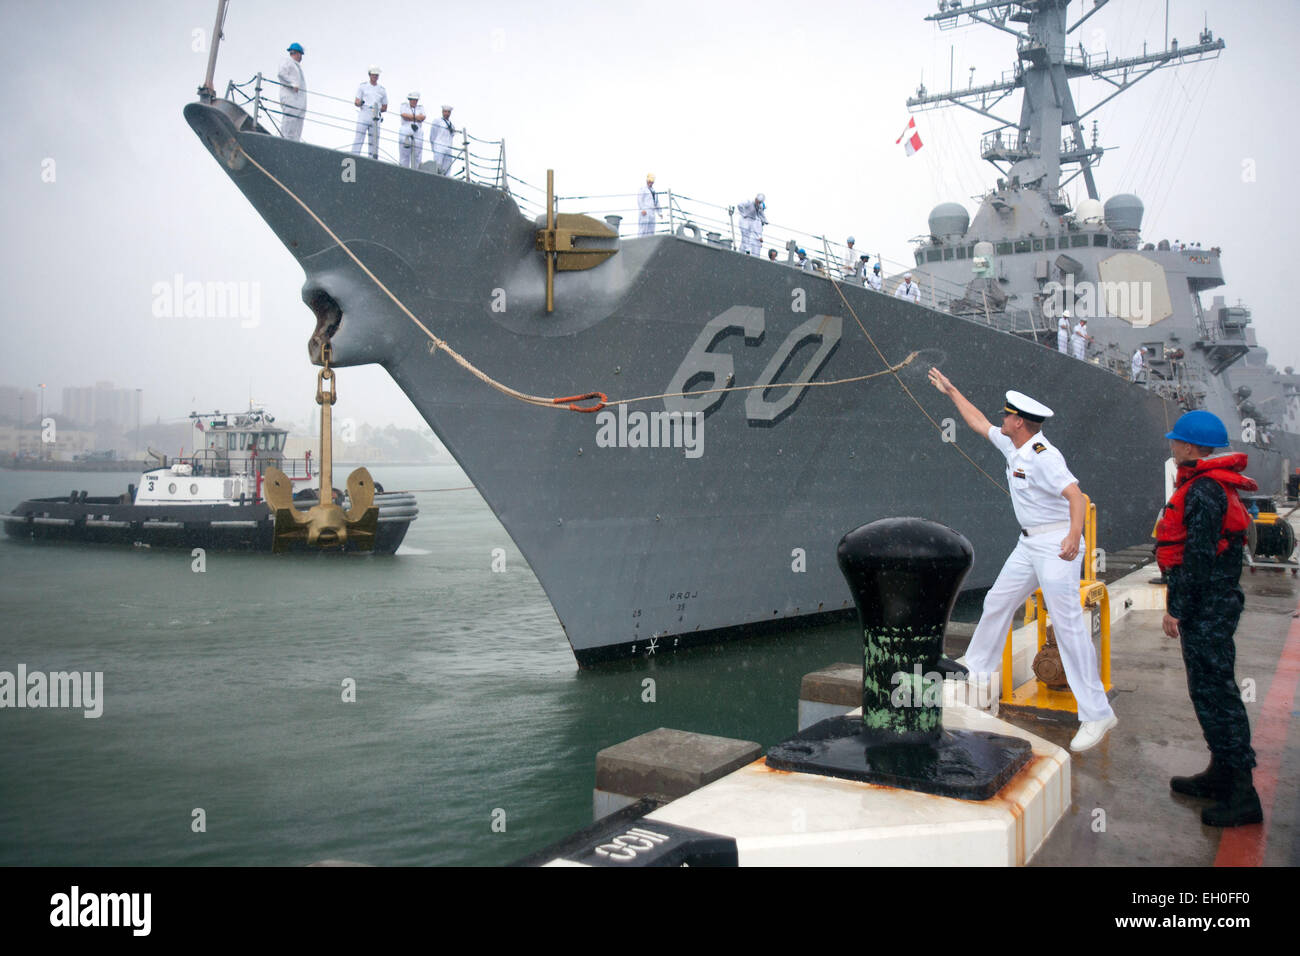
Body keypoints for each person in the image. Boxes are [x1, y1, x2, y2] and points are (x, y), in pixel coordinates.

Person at [926, 369, 1118, 752]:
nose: (1001, 420)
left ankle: (1097, 713)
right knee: (997, 600)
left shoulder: (1044, 456)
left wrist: (1075, 535)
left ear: (1019, 422)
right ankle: (976, 669)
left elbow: (1076, 496)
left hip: (1056, 544)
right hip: (1029, 544)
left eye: (1006, 416)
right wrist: (951, 391)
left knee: (1067, 626)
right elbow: (979, 423)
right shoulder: (1013, 446)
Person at [1157, 411, 1262, 826]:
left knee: (1217, 695)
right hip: (1215, 602)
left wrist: (1176, 608)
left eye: (1177, 441)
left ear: (1189, 446)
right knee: (1208, 692)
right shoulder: (1209, 486)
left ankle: (1242, 794)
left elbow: (1198, 558)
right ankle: (1221, 773)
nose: (1172, 445)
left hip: (1207, 608)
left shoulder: (1202, 491)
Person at [352, 66, 387, 159]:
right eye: (373, 75)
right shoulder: (363, 86)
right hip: (364, 112)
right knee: (359, 136)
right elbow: (356, 101)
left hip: (375, 114)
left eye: (377, 75)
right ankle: (354, 156)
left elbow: (385, 106)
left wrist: (378, 110)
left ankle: (372, 159)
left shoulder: (382, 90)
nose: (375, 77)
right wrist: (361, 103)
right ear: (370, 75)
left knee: (374, 140)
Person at [277, 43, 306, 141]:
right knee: (289, 122)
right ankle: (285, 141)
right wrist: (292, 84)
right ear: (298, 54)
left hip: (299, 102)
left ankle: (294, 142)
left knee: (296, 125)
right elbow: (281, 74)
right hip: (291, 99)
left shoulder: (297, 67)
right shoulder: (288, 62)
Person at [398, 92, 426, 169]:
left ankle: (416, 171)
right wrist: (417, 117)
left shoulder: (420, 108)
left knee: (417, 154)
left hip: (417, 130)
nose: (414, 101)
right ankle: (404, 170)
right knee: (404, 154)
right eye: (412, 100)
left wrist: (411, 117)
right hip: (406, 128)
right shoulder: (404, 106)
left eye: (415, 100)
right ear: (409, 100)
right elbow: (404, 115)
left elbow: (423, 117)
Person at [431, 105, 456, 175]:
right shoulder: (437, 121)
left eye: (448, 112)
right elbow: (433, 134)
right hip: (439, 145)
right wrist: (434, 146)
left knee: (447, 167)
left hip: (448, 147)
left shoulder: (452, 125)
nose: (447, 114)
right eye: (445, 112)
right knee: (437, 166)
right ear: (442, 112)